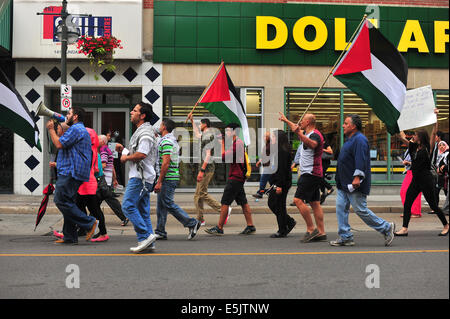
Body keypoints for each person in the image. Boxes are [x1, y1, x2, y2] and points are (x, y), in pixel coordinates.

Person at [331, 114, 395, 246]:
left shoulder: (360, 140)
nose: (343, 125)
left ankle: (386, 227)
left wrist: (357, 177)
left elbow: (361, 160)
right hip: (344, 183)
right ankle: (345, 236)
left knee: (360, 209)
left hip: (354, 183)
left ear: (353, 126)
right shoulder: (350, 139)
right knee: (340, 207)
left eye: (346, 123)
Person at [46, 107, 98, 244]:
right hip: (74, 170)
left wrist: (51, 129)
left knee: (60, 200)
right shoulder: (79, 130)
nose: (66, 116)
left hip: (71, 171)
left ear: (75, 117)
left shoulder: (76, 129)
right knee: (68, 201)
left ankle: (89, 223)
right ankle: (70, 236)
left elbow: (58, 144)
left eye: (69, 114)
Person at [278, 112, 327, 243]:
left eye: (303, 121)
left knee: (298, 200)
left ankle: (311, 229)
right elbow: (295, 127)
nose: (300, 123)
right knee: (315, 203)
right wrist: (285, 120)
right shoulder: (307, 133)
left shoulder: (315, 135)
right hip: (312, 173)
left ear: (309, 123)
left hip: (310, 173)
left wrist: (299, 133)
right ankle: (322, 232)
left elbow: (313, 144)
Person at [395, 129, 449, 237]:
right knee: (407, 203)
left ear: (420, 137)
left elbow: (433, 134)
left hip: (426, 181)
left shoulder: (426, 149)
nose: (413, 136)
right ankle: (404, 228)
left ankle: (446, 225)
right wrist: (397, 129)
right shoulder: (414, 147)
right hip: (416, 180)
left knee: (433, 206)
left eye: (415, 135)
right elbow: (403, 138)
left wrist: (435, 117)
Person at [205, 123, 256, 236]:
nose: (226, 132)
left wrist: (222, 143)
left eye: (228, 130)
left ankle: (219, 227)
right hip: (238, 177)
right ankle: (250, 225)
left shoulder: (237, 144)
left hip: (235, 178)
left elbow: (224, 158)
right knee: (243, 202)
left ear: (234, 132)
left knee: (225, 202)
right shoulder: (236, 143)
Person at [154, 118, 201, 240]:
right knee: (161, 205)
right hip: (168, 177)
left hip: (168, 178)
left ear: (164, 127)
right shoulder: (168, 140)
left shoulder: (167, 141)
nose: (159, 127)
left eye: (160, 125)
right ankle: (160, 231)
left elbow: (166, 163)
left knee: (168, 203)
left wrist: (159, 181)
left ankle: (192, 223)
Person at [121, 102, 158, 253]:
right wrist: (123, 150)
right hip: (143, 177)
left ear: (142, 116)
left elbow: (142, 154)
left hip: (140, 178)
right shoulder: (142, 131)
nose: (131, 112)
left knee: (127, 205)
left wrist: (126, 158)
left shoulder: (145, 134)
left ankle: (144, 236)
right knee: (143, 211)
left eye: (134, 111)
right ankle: (149, 242)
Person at [188, 114, 221, 225]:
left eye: (201, 124)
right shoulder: (205, 135)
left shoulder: (208, 136)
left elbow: (208, 155)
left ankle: (223, 210)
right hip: (204, 169)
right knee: (198, 195)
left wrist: (201, 171)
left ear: (205, 124)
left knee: (201, 194)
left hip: (206, 170)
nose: (200, 125)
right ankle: (200, 218)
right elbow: (197, 134)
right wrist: (192, 121)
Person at [76, 128, 108, 242]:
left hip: (86, 184)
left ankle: (92, 227)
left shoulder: (88, 150)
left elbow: (96, 169)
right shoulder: (93, 150)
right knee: (89, 208)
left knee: (87, 208)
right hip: (88, 184)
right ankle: (85, 228)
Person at [267, 130, 296, 238]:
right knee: (276, 204)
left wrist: (279, 185)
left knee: (277, 204)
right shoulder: (277, 150)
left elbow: (282, 170)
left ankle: (283, 229)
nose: (272, 139)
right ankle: (288, 222)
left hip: (281, 182)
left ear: (278, 138)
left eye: (273, 137)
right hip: (278, 181)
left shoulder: (282, 151)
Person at [98, 134, 129, 226]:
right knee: (97, 201)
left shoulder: (103, 150)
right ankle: (92, 220)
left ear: (103, 142)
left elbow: (103, 165)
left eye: (98, 140)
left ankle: (124, 217)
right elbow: (112, 167)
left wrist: (94, 168)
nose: (95, 141)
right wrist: (114, 179)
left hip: (104, 181)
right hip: (107, 180)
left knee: (108, 200)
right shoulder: (108, 150)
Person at [399, 145, 422, 218]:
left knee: (415, 192)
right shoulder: (409, 150)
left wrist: (408, 163)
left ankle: (416, 212)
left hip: (416, 172)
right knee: (403, 191)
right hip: (409, 172)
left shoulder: (420, 150)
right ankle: (408, 211)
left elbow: (421, 163)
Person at [253, 131, 272, 199]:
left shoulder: (270, 145)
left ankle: (260, 193)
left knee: (263, 180)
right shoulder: (267, 145)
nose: (264, 138)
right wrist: (260, 161)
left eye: (265, 136)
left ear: (268, 137)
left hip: (269, 166)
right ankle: (271, 192)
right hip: (267, 165)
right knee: (271, 181)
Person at [319, 138, 334, 204]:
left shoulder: (325, 143)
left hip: (325, 162)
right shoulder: (318, 143)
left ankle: (329, 187)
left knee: (319, 177)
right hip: (320, 162)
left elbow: (330, 151)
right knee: (320, 177)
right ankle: (322, 194)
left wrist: (322, 149)